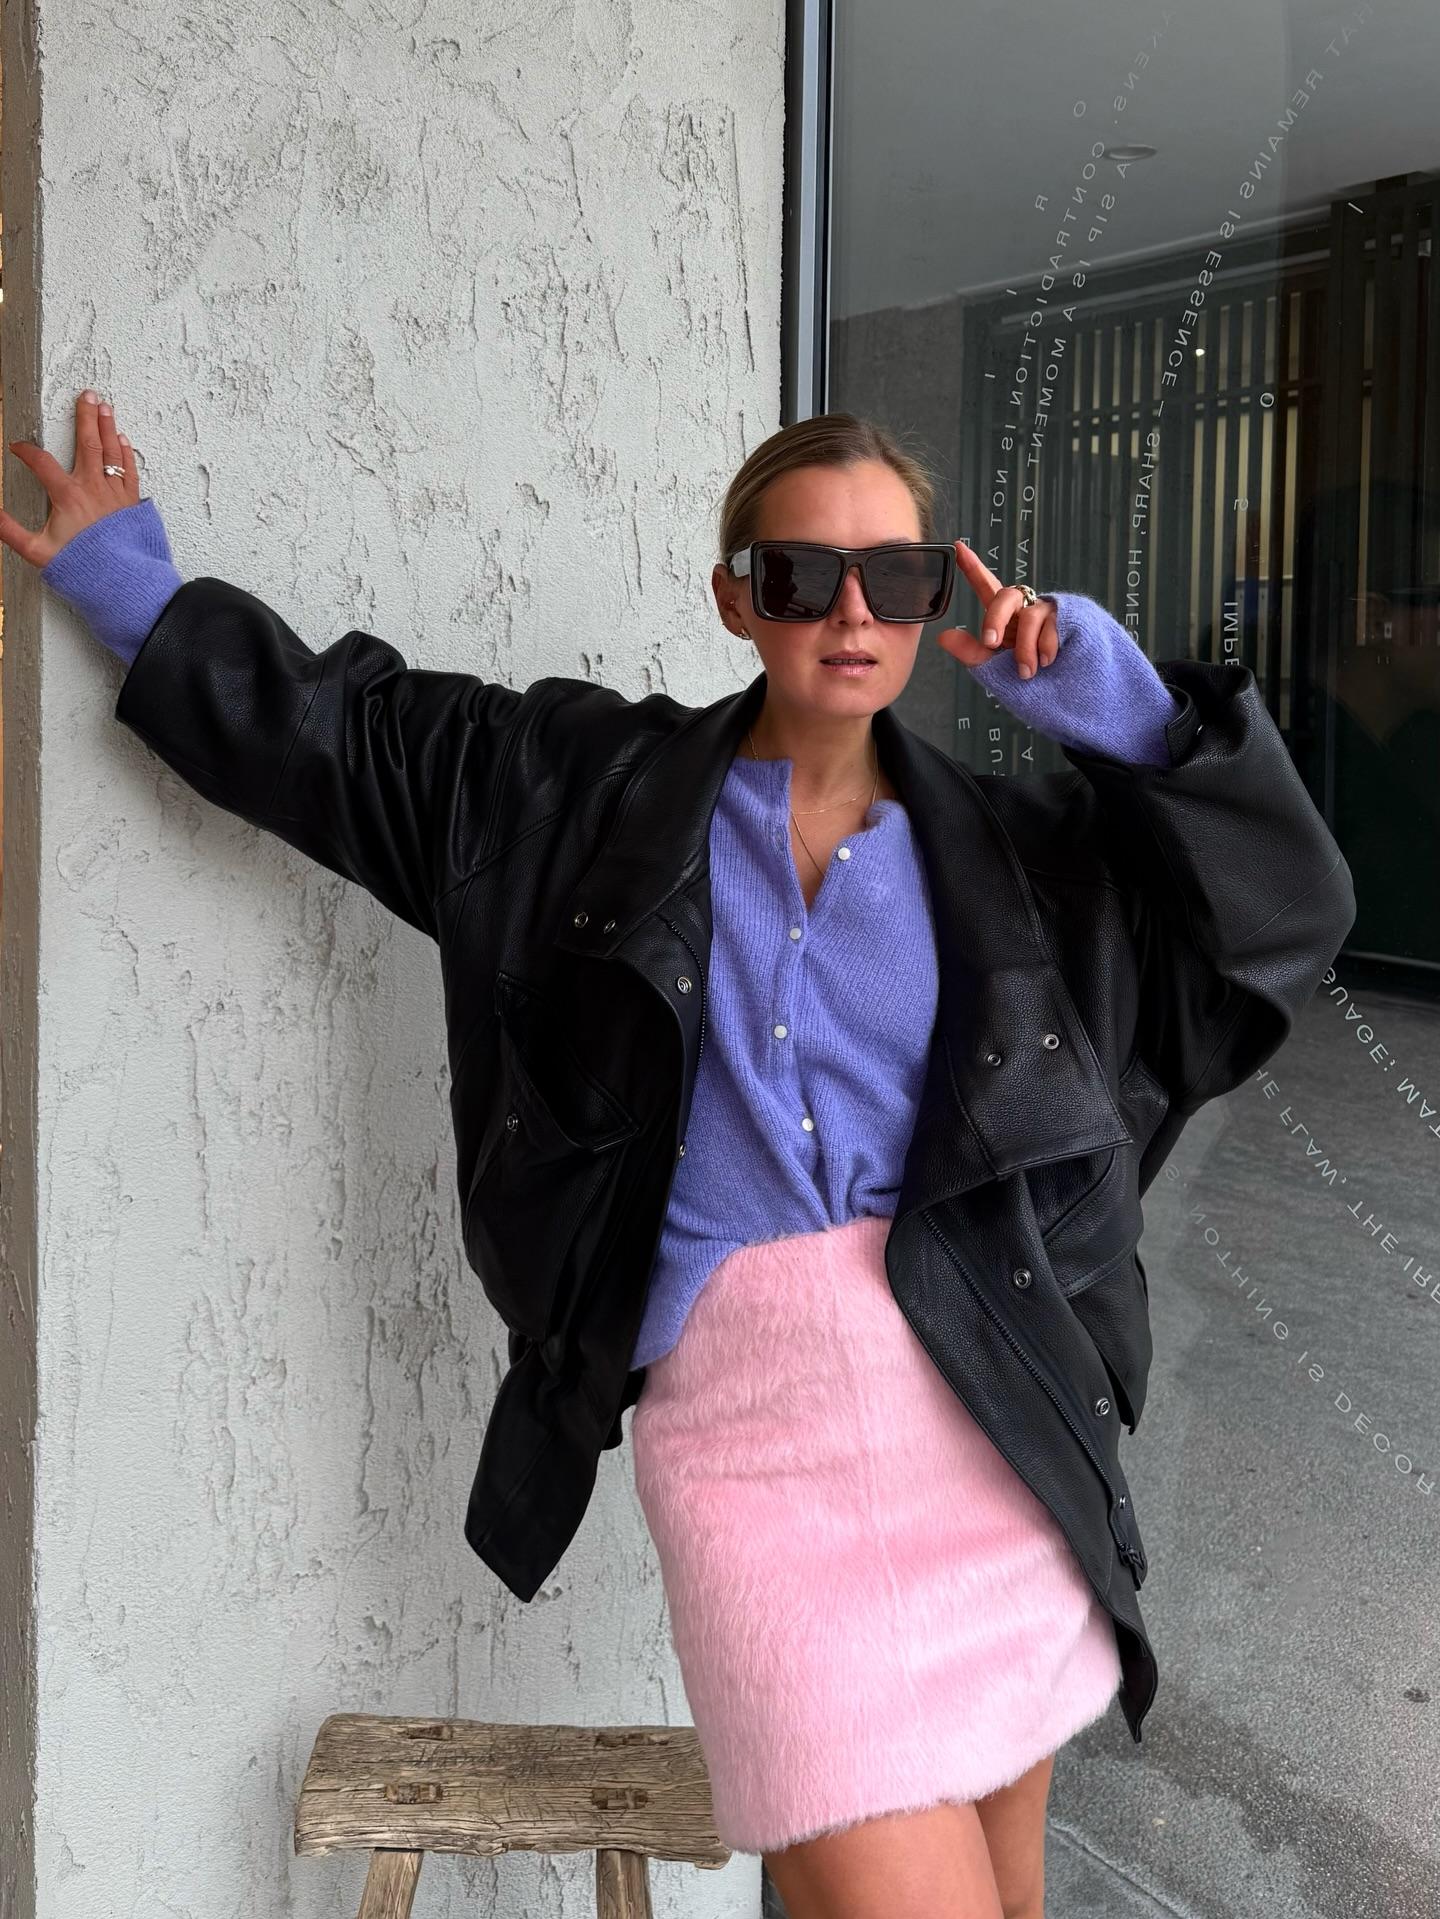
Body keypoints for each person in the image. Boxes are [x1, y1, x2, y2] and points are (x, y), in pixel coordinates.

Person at [4, 391, 1354, 1919]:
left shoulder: (1026, 859)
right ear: (733, 597)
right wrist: (130, 586)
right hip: (752, 1458)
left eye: (895, 577)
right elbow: (352, 744)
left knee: (1007, 1897)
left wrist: (1120, 712)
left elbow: (1285, 924)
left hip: (989, 1417)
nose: (851, 613)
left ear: (937, 600)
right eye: (800, 576)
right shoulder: (583, 797)